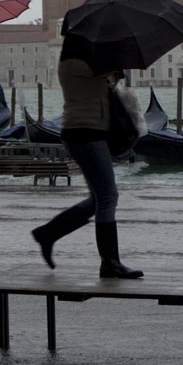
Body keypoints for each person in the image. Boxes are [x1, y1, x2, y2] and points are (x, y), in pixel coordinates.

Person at [30, 39, 143, 279]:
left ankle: (48, 233)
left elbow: (105, 83)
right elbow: (101, 71)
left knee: (97, 200)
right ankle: (110, 263)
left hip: (92, 132)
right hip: (83, 133)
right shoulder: (72, 62)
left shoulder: (91, 61)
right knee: (108, 196)